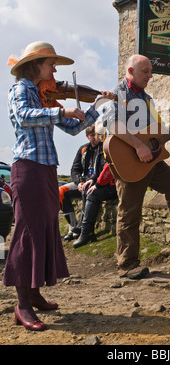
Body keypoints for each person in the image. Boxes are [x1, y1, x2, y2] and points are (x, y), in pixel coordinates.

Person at [4, 41, 104, 331]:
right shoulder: (21, 89)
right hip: (28, 168)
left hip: (45, 169)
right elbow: (24, 116)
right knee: (28, 232)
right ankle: (21, 305)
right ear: (37, 65)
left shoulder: (42, 94)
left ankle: (34, 293)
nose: (55, 69)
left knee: (46, 229)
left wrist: (96, 107)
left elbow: (73, 128)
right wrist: (62, 112)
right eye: (51, 64)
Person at [102, 54, 170, 280]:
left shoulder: (147, 99)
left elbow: (154, 133)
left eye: (151, 71)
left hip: (151, 162)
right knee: (129, 212)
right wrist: (139, 146)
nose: (151, 75)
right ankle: (127, 264)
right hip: (128, 163)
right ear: (130, 71)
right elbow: (113, 124)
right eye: (146, 71)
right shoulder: (117, 94)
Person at [73, 122, 117, 248]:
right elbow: (100, 170)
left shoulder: (108, 144)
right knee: (89, 192)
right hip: (109, 184)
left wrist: (97, 184)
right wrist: (93, 180)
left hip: (116, 185)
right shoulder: (103, 146)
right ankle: (84, 230)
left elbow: (109, 168)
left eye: (97, 134)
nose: (96, 136)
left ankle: (85, 233)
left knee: (93, 195)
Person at [59, 124, 102, 241]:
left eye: (97, 134)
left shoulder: (104, 147)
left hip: (96, 182)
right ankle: (73, 227)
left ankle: (80, 229)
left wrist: (92, 181)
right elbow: (74, 169)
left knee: (87, 193)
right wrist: (78, 182)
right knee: (60, 192)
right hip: (82, 182)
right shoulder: (83, 149)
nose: (95, 137)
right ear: (87, 136)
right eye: (92, 135)